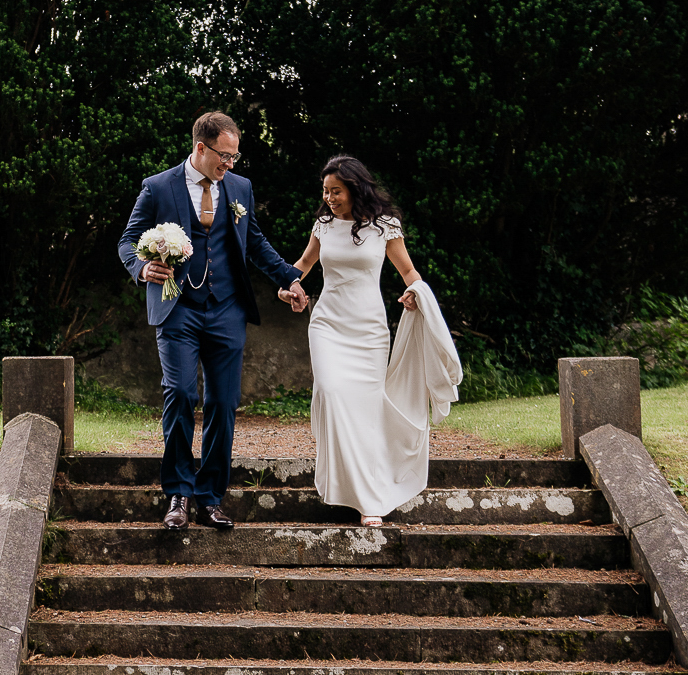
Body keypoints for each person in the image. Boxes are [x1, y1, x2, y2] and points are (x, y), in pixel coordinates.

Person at [118, 112, 310, 530]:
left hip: (227, 309)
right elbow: (128, 240)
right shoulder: (158, 186)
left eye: (235, 156)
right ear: (200, 148)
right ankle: (178, 495)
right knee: (181, 394)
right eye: (224, 156)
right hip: (178, 307)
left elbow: (254, 242)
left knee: (224, 403)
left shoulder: (239, 188)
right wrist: (141, 267)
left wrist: (290, 279)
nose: (230, 164)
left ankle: (210, 497)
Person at [289, 155, 460, 525]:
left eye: (335, 191)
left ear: (354, 188)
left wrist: (415, 290)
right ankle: (343, 484)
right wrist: (291, 286)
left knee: (366, 412)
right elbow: (302, 265)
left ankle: (370, 499)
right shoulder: (323, 225)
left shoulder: (385, 226)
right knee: (331, 393)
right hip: (327, 325)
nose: (329, 198)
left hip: (368, 329)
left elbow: (407, 270)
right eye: (325, 191)